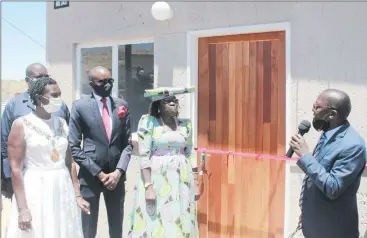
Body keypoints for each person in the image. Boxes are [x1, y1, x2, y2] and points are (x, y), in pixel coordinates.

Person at [5, 76, 85, 237]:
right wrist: (22, 208)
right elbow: (15, 168)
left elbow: (69, 162)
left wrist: (77, 194)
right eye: (54, 95)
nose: (58, 99)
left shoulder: (62, 123)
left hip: (62, 188)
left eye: (59, 94)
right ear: (39, 98)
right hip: (36, 188)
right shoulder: (22, 124)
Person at [289, 89, 366, 238]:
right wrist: (307, 211)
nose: (312, 109)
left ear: (332, 114)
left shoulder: (353, 145)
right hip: (315, 225)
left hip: (334, 230)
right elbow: (317, 176)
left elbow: (333, 187)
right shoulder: (328, 133)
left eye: (317, 106)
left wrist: (306, 156)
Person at [124, 87, 199, 238]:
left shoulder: (186, 124)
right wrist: (148, 186)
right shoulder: (149, 122)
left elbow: (190, 152)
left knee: (181, 216)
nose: (173, 103)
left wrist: (196, 181)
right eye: (168, 101)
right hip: (158, 178)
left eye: (175, 100)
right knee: (156, 217)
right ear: (158, 104)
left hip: (182, 180)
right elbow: (144, 154)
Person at [68, 66, 133, 238]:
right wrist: (100, 174)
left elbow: (127, 145)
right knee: (89, 228)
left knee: (116, 224)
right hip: (90, 176)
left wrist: (118, 172)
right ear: (91, 84)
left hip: (116, 178)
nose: (107, 84)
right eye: (102, 81)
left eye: (110, 81)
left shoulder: (121, 105)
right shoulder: (80, 107)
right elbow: (74, 147)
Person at [1, 63, 70, 199]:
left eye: (46, 76)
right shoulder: (14, 106)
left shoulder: (60, 106)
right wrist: (8, 177)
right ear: (28, 81)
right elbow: (4, 143)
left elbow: (69, 139)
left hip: (57, 175)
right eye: (39, 77)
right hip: (28, 175)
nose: (44, 80)